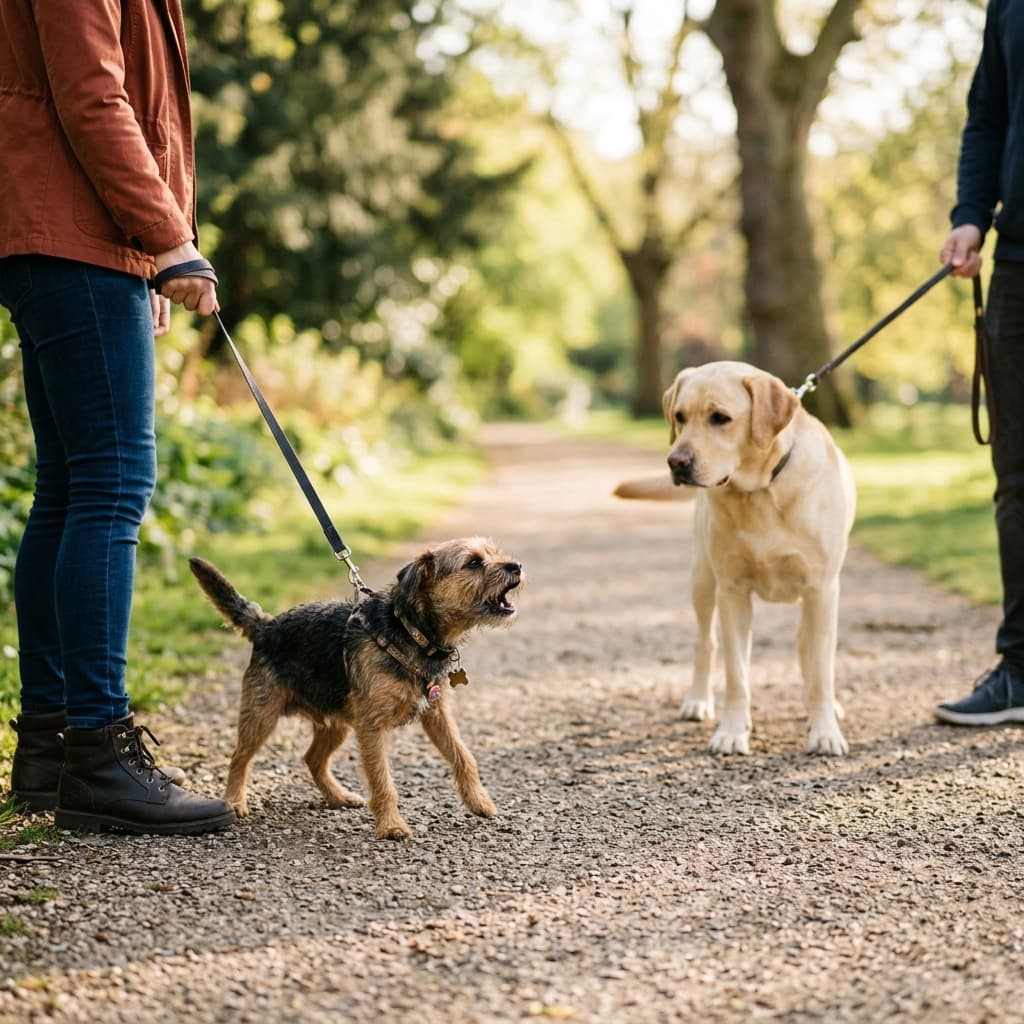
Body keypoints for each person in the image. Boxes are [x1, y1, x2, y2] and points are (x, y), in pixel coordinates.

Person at [0, 1, 235, 833]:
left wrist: (151, 248)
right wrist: (165, 238)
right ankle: (100, 752)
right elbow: (94, 97)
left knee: (68, 490)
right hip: (72, 230)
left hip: (77, 236)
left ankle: (51, 748)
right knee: (110, 486)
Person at [935, 0, 1024, 727]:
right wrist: (971, 212)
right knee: (1017, 479)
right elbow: (988, 113)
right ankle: (1021, 667)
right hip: (1019, 261)